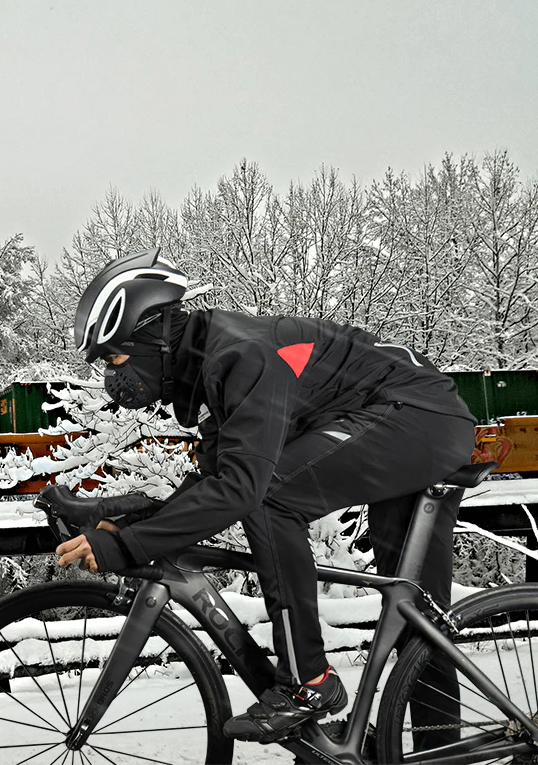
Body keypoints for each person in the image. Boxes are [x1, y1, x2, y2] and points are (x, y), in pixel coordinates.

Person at [56, 247, 476, 744]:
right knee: (417, 612)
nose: (111, 379)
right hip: (412, 418)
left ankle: (308, 682)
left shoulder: (243, 355)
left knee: (270, 496)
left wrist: (123, 548)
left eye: (114, 357)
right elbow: (214, 481)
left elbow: (241, 489)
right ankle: (443, 745)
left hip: (419, 417)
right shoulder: (214, 366)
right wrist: (121, 525)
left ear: (153, 338)